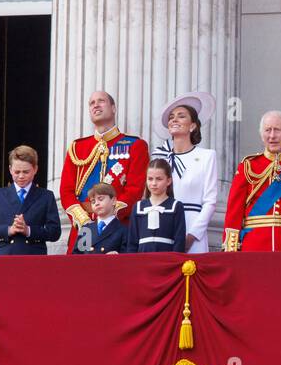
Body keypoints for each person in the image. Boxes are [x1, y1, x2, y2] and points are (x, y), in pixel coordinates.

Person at [59, 90, 149, 250]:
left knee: (115, 273)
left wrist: (107, 216)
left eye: (101, 101)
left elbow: (135, 190)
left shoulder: (135, 145)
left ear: (113, 108)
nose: (96, 105)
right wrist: (84, 219)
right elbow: (66, 191)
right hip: (83, 229)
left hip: (117, 228)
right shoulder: (77, 148)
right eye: (92, 103)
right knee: (79, 272)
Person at [222, 111, 281, 252]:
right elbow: (234, 211)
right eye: (267, 130)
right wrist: (230, 250)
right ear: (261, 134)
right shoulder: (248, 166)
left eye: (277, 130)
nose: (272, 136)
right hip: (253, 246)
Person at [151, 91, 219, 254]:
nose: (174, 119)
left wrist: (192, 235)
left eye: (181, 116)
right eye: (172, 117)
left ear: (193, 125)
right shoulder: (159, 155)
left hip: (192, 226)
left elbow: (210, 201)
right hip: (162, 225)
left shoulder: (206, 156)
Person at [0, 145, 62, 255]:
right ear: (10, 169)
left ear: (35, 169)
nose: (21, 176)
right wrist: (9, 230)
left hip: (34, 257)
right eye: (17, 172)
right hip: (5, 257)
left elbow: (55, 232)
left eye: (26, 172)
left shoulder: (46, 196)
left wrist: (28, 230)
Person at [124, 158, 187, 253]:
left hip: (166, 260)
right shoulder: (138, 207)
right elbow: (132, 242)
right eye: (150, 179)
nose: (153, 183)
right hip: (142, 261)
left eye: (159, 179)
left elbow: (179, 241)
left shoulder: (176, 206)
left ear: (168, 181)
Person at [71, 183, 126, 254]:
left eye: (100, 199)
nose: (96, 203)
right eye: (93, 201)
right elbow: (76, 258)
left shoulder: (123, 230)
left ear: (113, 201)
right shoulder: (86, 230)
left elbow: (128, 258)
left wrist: (117, 257)